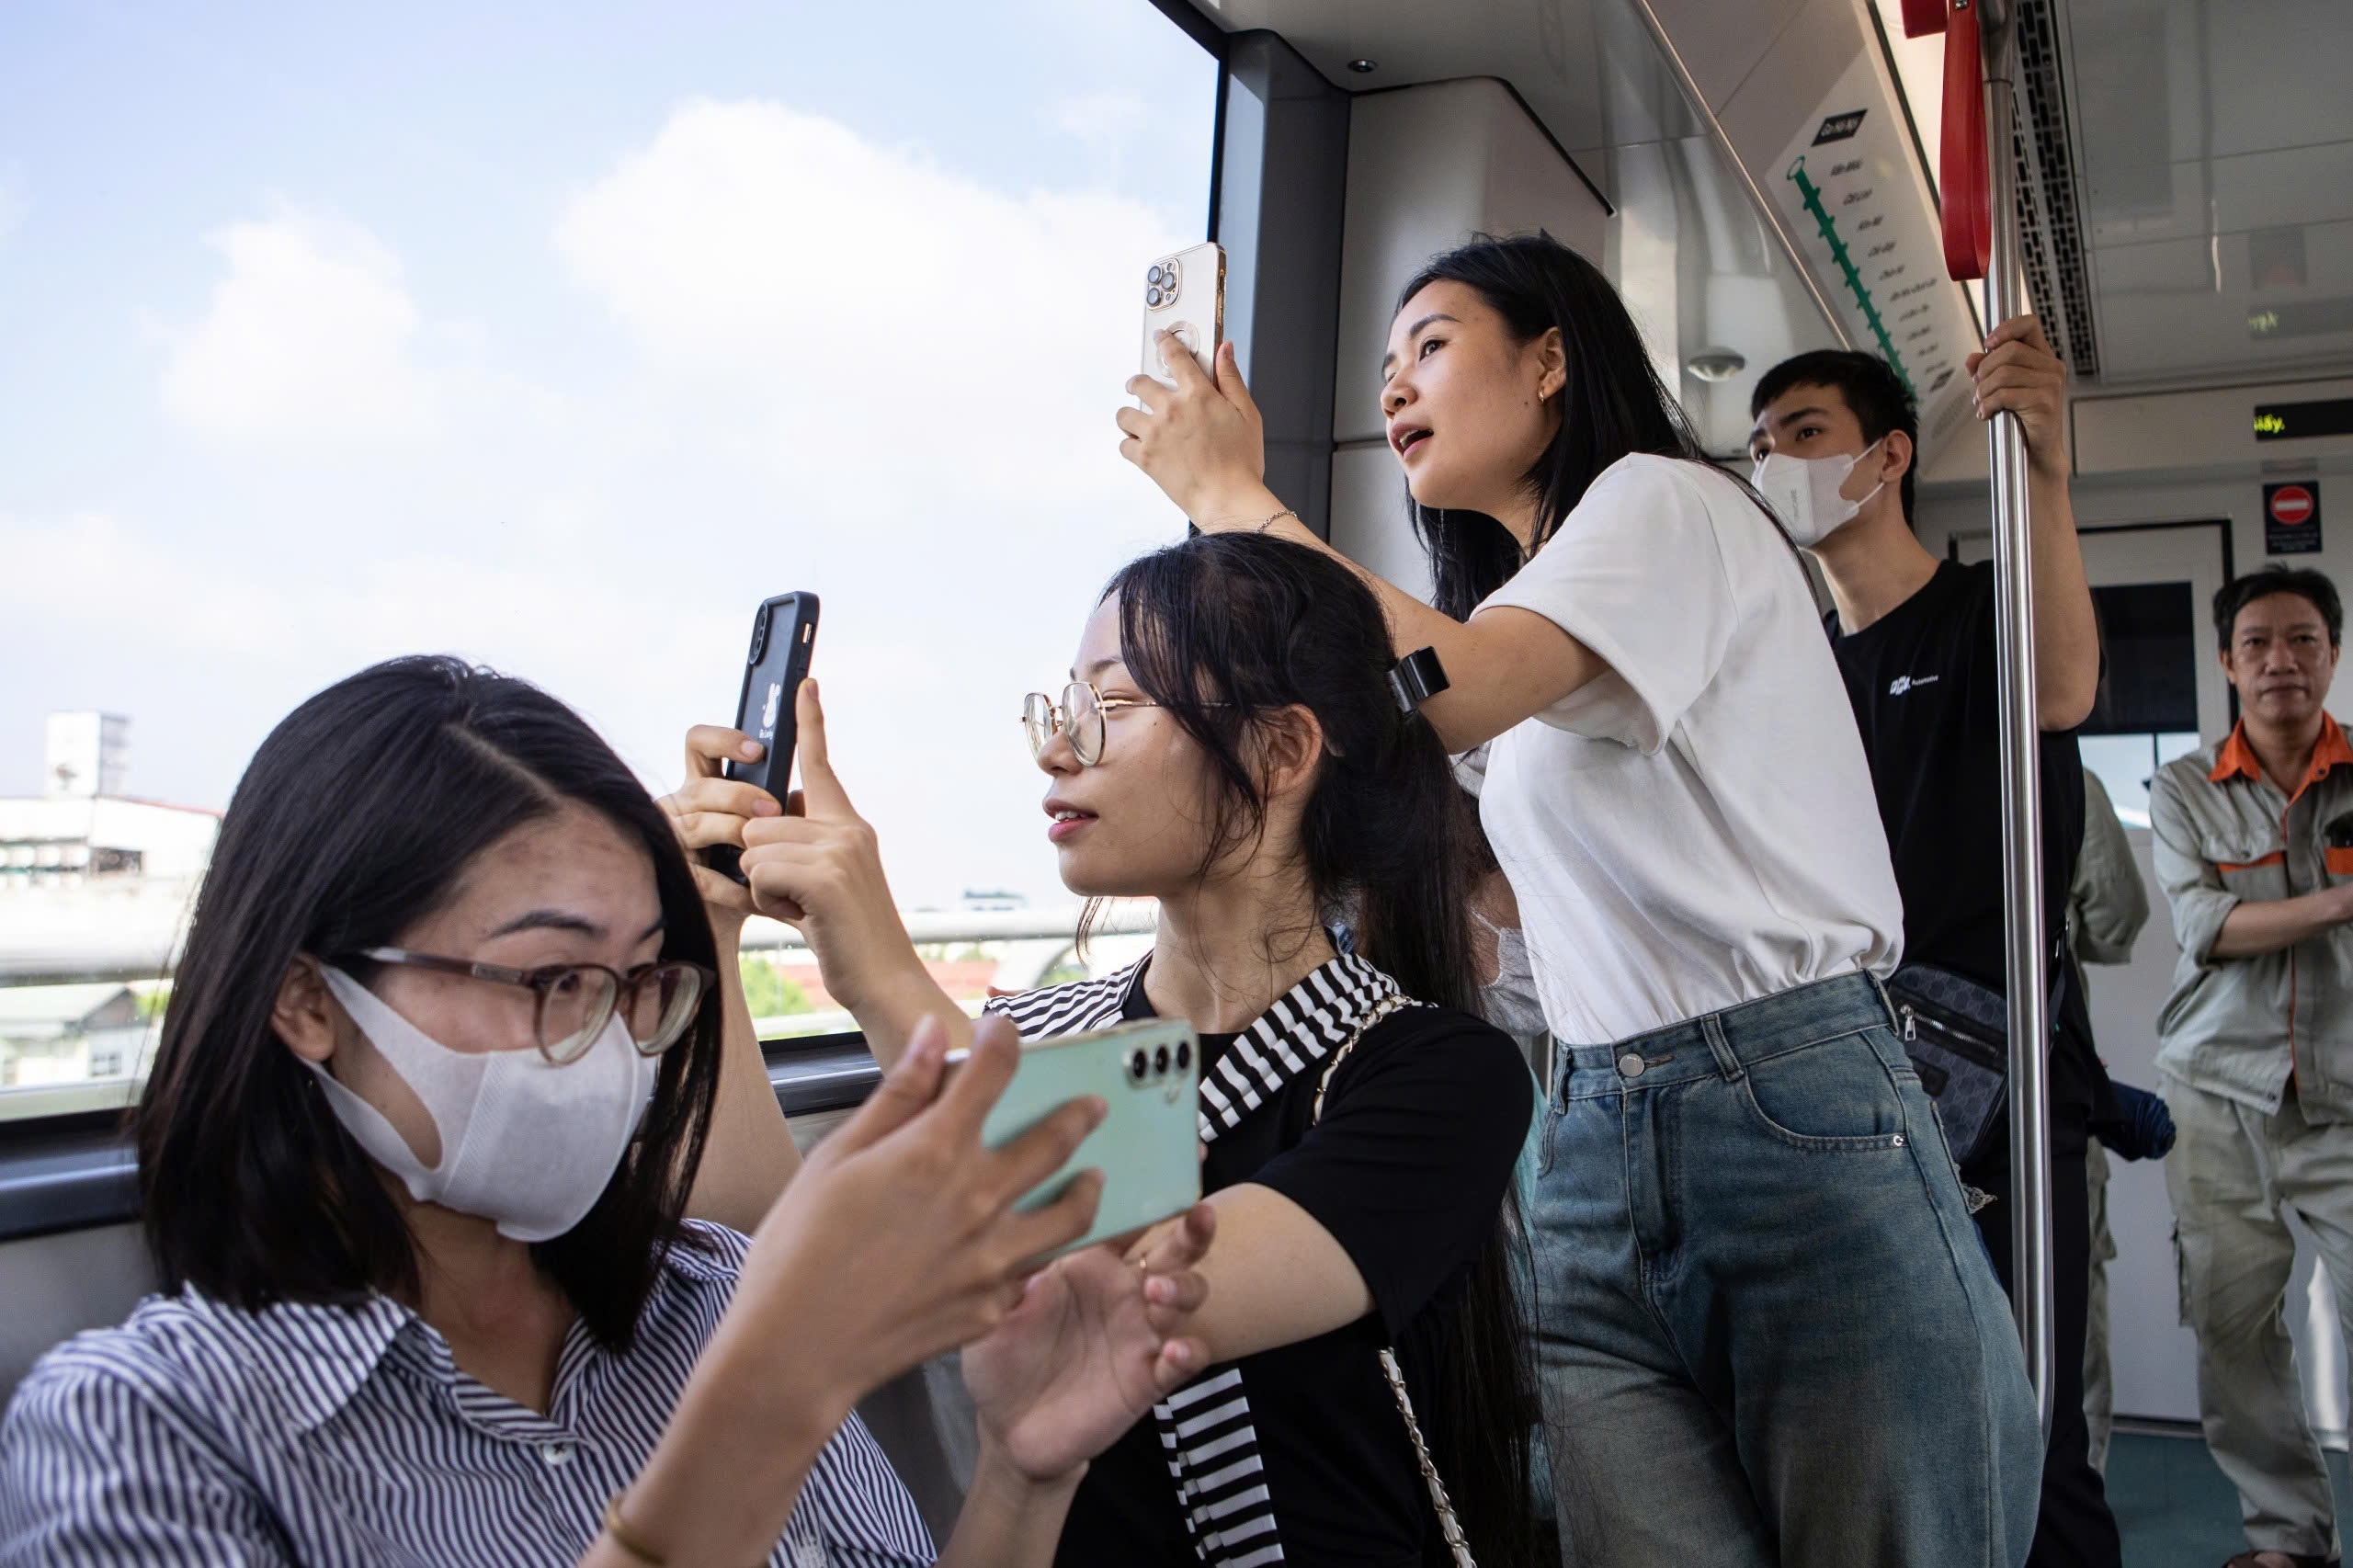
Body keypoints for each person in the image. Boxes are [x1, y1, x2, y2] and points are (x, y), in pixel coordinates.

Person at [1113, 230, 2040, 1566]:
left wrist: (1233, 494)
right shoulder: (1531, 623)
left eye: (1430, 346)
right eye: (1383, 366)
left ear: (1551, 361)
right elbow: (1460, 784)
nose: (1392, 389)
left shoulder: (1668, 507)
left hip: (1790, 1104)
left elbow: (1454, 684)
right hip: (1596, 1131)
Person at [0, 655, 1218, 1568]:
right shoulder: (145, 1430)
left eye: (642, 981)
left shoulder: (710, 1298)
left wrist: (1018, 1476)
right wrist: (772, 1396)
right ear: (309, 1000)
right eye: (551, 979)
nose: (612, 1046)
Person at [667, 532, 1540, 1568]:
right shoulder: (1035, 1043)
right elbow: (749, 1246)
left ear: (1281, 752)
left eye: (1111, 708)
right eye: (1061, 708)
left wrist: (882, 971)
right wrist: (707, 942)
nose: (1055, 748)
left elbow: (1130, 1280)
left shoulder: (1436, 1074)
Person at [1747, 331, 2121, 1565]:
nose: (1776, 461)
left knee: (2027, 1428)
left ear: (1886, 455)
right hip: (1853, 1085)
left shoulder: (1979, 610)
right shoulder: (1796, 670)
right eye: (1759, 444)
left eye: (1803, 432)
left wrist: (2050, 476)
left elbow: (2061, 690)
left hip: (2000, 1088)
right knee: (1899, 1430)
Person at [2148, 565, 2353, 1568]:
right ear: (2227, 662)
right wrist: (2338, 901)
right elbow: (2208, 928)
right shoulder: (2183, 788)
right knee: (2235, 1337)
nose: (2283, 660)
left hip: (2347, 1098)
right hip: (2217, 1094)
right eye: (2259, 643)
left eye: (2304, 639)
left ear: (2333, 653)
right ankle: (2285, 1540)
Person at [2068, 765, 2154, 1475]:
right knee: (2068, 1295)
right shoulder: (2056, 768)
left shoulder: (1858, 739)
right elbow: (2115, 919)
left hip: (1894, 1076)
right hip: (2041, 1085)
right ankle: (2074, 1495)